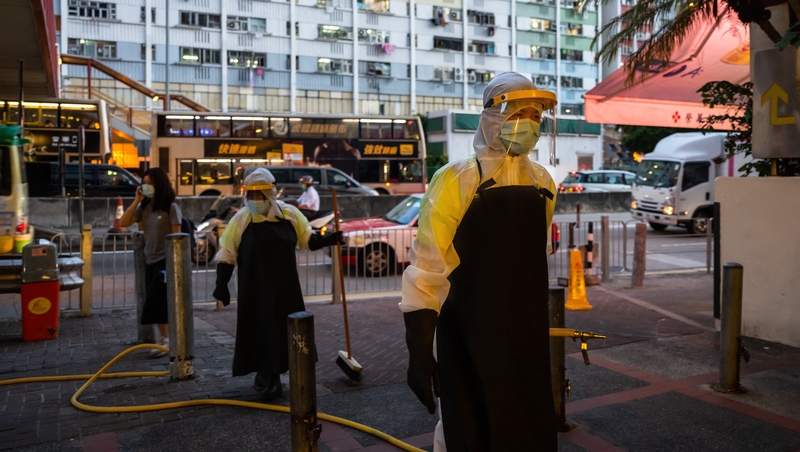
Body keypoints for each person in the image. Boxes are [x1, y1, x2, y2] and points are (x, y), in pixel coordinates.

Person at [400, 72, 558, 451]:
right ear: (493, 117)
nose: (530, 125)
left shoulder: (545, 183)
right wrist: (419, 352)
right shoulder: (456, 179)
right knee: (468, 426)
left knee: (527, 422)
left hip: (527, 332)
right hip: (470, 332)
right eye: (521, 113)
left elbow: (534, 256)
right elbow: (426, 269)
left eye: (537, 116)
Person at [212, 168, 343, 401]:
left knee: (281, 332)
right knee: (260, 330)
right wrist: (221, 284)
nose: (254, 200)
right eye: (250, 196)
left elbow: (307, 240)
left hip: (285, 288)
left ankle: (274, 381)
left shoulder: (290, 215)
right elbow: (227, 252)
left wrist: (329, 239)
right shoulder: (241, 219)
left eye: (258, 195)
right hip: (254, 289)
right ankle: (266, 377)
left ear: (270, 194)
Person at [119, 167, 182, 358]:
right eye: (143, 183)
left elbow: (177, 235)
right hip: (150, 259)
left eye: (150, 183)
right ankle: (163, 339)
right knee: (154, 302)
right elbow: (123, 222)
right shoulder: (144, 207)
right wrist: (137, 200)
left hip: (165, 261)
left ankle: (165, 340)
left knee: (157, 302)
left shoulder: (171, 207)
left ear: (160, 184)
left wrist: (174, 263)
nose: (145, 186)